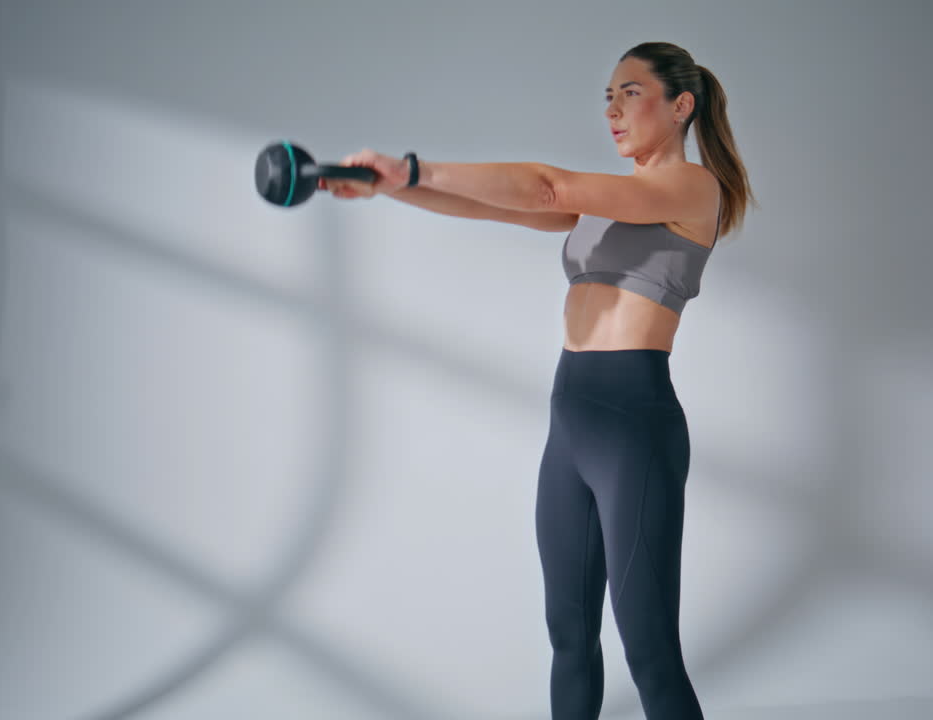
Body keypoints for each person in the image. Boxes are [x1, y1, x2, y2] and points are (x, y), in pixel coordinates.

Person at [322, 41, 757, 720]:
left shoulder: (692, 188)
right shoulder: (613, 201)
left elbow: (546, 184)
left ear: (681, 106)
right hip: (571, 424)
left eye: (631, 94)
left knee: (649, 651)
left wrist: (410, 164)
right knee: (568, 637)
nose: (613, 110)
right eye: (607, 97)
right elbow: (490, 207)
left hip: (632, 425)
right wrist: (391, 188)